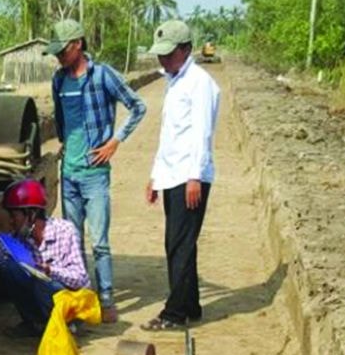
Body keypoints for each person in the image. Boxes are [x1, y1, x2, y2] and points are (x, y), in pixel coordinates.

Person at [47, 19, 147, 322]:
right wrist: (65, 146)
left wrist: (115, 141)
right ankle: (81, 298)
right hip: (70, 174)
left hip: (94, 174)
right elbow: (61, 120)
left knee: (100, 242)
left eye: (62, 51)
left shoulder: (103, 76)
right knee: (72, 242)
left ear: (77, 44)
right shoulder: (58, 80)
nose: (59, 57)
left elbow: (138, 106)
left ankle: (106, 298)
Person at [143, 19, 220, 332]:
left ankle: (174, 313)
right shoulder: (173, 80)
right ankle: (191, 305)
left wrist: (194, 178)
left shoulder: (200, 84)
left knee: (180, 244)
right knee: (179, 243)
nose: (163, 59)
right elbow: (169, 136)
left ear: (186, 50)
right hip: (172, 174)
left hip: (189, 176)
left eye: (169, 53)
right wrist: (155, 177)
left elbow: (202, 133)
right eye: (161, 54)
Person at [0, 179, 89, 335]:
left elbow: (80, 278)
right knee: (10, 267)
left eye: (14, 216)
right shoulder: (16, 240)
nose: (10, 222)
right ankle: (34, 323)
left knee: (41, 282)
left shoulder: (65, 230)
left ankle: (65, 324)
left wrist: (50, 270)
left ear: (31, 215)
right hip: (45, 293)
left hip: (72, 300)